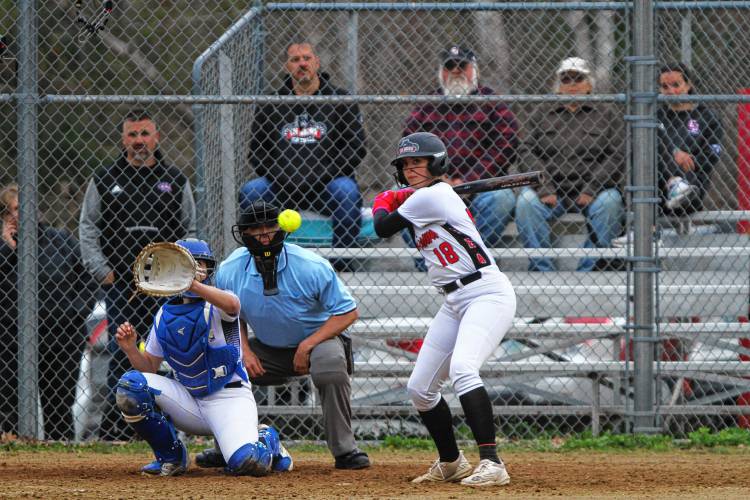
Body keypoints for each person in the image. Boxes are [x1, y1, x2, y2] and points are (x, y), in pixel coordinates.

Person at [372, 132, 515, 487]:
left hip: (485, 292)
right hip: (454, 301)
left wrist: (384, 199)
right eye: (405, 166)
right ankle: (452, 462)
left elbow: (382, 226)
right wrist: (402, 195)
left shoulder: (433, 196)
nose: (410, 170)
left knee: (464, 369)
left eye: (418, 162)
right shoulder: (428, 197)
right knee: (420, 388)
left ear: (436, 164)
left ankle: (493, 463)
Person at [194, 200, 370, 470]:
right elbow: (231, 316)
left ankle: (345, 451)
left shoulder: (309, 265)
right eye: (255, 228)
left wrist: (308, 345)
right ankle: (228, 447)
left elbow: (348, 313)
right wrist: (245, 350)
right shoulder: (231, 268)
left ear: (282, 228)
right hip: (267, 348)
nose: (264, 234)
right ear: (244, 233)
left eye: (270, 226)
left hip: (317, 341)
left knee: (331, 368)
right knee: (227, 365)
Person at [114, 238, 292, 476]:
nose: (193, 269)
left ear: (208, 269)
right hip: (189, 400)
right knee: (131, 386)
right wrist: (130, 348)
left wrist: (193, 286)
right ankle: (171, 458)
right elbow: (150, 369)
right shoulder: (164, 314)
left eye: (198, 264)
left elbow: (233, 305)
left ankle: (266, 438)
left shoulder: (219, 301)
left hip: (229, 398)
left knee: (247, 463)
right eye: (184, 265)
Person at [79, 109, 197, 440]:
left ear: (157, 137)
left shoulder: (175, 180)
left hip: (167, 288)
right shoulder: (104, 179)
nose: (139, 141)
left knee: (169, 353)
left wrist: (180, 270)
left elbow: (190, 228)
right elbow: (88, 227)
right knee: (122, 354)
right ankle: (120, 429)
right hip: (121, 288)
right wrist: (102, 271)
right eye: (132, 135)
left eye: (145, 134)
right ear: (123, 139)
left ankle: (171, 424)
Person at [242, 42, 366, 271]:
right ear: (287, 66)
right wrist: (284, 177)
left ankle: (339, 268)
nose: (302, 64)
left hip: (326, 186)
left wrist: (320, 175)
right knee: (253, 191)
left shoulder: (340, 100)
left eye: (307, 58)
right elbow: (257, 153)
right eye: (295, 60)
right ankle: (265, 260)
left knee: (347, 192)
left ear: (316, 63)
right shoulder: (271, 103)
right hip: (282, 186)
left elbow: (356, 148)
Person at [0, 183, 97, 440]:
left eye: (28, 206)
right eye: (16, 209)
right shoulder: (3, 250)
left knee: (58, 401)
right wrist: (10, 250)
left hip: (61, 334)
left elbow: (87, 280)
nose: (24, 213)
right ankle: (13, 447)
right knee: (10, 401)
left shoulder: (61, 240)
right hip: (13, 337)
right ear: (6, 216)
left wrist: (76, 312)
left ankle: (60, 447)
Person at [401, 45, 519, 248]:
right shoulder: (427, 104)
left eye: (461, 66)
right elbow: (409, 144)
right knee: (401, 194)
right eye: (449, 66)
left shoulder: (491, 101)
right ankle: (431, 262)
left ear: (474, 69)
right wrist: (436, 178)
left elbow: (505, 146)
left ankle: (473, 255)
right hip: (433, 183)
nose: (456, 71)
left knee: (502, 197)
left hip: (482, 185)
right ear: (441, 72)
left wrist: (467, 181)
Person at [515, 57, 624, 272]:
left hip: (593, 190)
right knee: (526, 203)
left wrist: (592, 188)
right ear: (558, 86)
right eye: (566, 79)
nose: (572, 84)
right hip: (551, 190)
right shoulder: (541, 114)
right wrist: (544, 187)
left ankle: (588, 270)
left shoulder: (607, 114)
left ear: (589, 84)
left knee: (611, 202)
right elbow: (525, 151)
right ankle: (542, 270)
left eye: (578, 78)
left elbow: (618, 155)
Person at [657, 62, 723, 215]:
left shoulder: (707, 117)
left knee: (688, 186)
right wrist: (674, 153)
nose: (671, 91)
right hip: (657, 183)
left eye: (676, 85)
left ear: (688, 85)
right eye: (665, 87)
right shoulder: (655, 117)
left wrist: (690, 159)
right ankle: (674, 185)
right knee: (651, 147)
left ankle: (679, 187)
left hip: (691, 183)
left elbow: (713, 152)